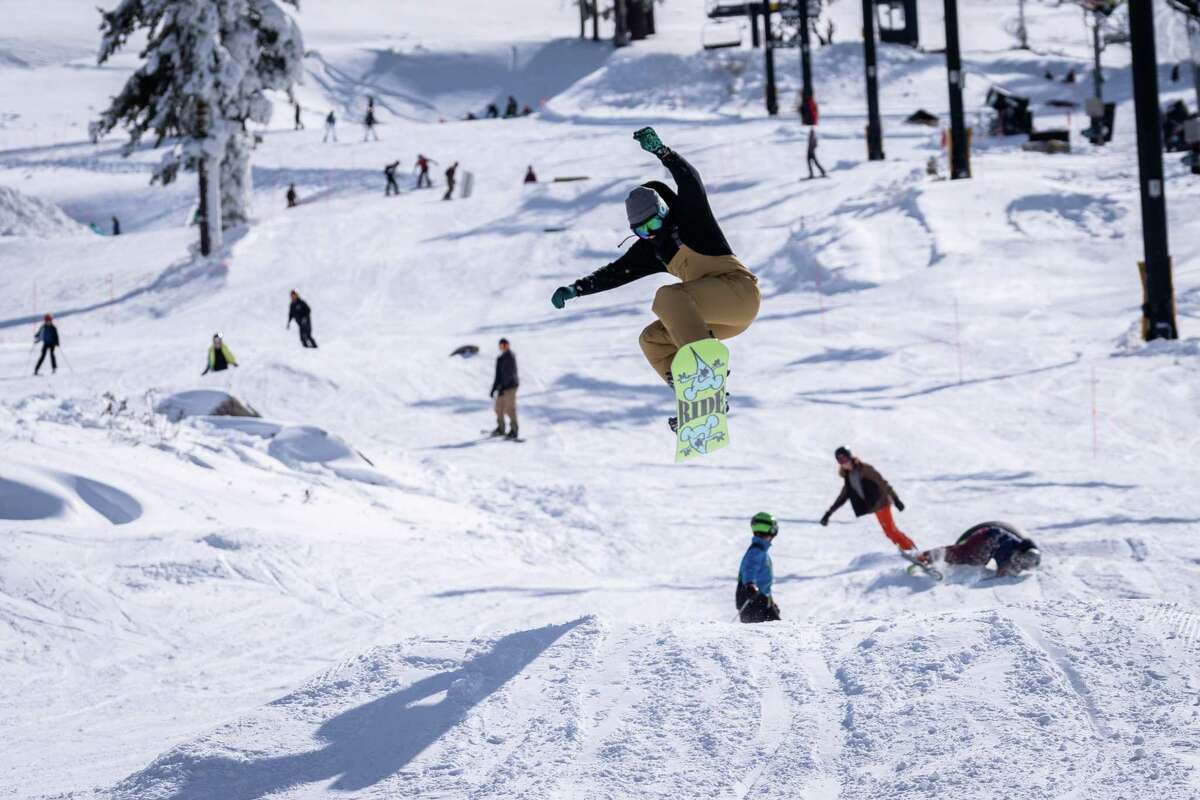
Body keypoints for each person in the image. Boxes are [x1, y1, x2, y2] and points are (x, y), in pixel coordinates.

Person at [549, 127, 761, 428]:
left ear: (663, 211)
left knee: (668, 296)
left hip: (739, 295)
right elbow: (615, 273)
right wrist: (576, 289)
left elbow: (691, 181)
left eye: (653, 225)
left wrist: (664, 152)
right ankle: (693, 396)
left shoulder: (690, 217)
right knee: (651, 340)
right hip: (716, 320)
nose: (651, 234)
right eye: (642, 232)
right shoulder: (652, 250)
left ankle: (707, 380)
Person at [820, 447, 923, 558]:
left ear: (849, 456)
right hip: (875, 506)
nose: (843, 463)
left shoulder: (865, 469)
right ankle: (911, 551)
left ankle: (913, 553)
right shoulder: (848, 477)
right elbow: (842, 497)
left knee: (891, 531)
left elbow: (883, 483)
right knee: (890, 532)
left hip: (881, 501)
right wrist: (828, 513)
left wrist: (896, 499)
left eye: (844, 459)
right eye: (839, 461)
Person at [917, 522, 1041, 577]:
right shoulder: (1013, 545)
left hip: (989, 536)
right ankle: (927, 556)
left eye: (1023, 564)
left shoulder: (1016, 548)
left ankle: (931, 557)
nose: (1019, 562)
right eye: (1022, 560)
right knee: (969, 556)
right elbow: (1002, 555)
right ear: (1024, 554)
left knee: (966, 554)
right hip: (989, 536)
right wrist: (1002, 568)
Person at [736, 512, 781, 623]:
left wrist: (771, 602)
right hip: (752, 599)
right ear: (772, 531)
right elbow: (749, 568)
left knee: (776, 630)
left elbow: (763, 584)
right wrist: (750, 584)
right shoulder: (756, 551)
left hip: (759, 598)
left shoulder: (759, 550)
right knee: (764, 633)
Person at [489, 338, 519, 439]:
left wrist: (503, 386)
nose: (502, 347)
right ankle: (501, 428)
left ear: (508, 345)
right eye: (501, 346)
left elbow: (509, 374)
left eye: (504, 345)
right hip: (502, 387)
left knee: (509, 408)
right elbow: (498, 375)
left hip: (510, 386)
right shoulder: (500, 358)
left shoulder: (510, 356)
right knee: (498, 408)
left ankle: (514, 430)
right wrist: (494, 388)